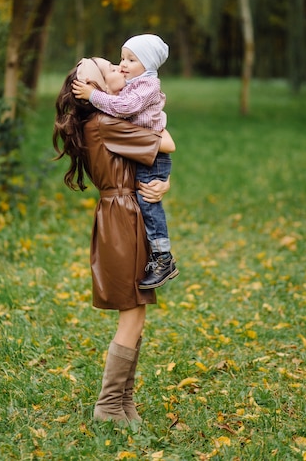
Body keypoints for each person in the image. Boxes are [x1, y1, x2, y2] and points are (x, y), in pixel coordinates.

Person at [53, 57, 175, 425]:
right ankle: (109, 406)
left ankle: (125, 404)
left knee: (135, 310)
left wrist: (162, 183)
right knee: (133, 313)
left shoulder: (101, 121)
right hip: (123, 217)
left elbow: (146, 159)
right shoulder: (106, 123)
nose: (120, 68)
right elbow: (166, 141)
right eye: (111, 67)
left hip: (122, 210)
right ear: (96, 90)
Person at [72, 35, 178, 289]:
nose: (121, 65)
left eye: (130, 60)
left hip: (147, 169)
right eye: (117, 62)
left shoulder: (143, 87)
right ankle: (162, 257)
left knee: (150, 207)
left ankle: (163, 257)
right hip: (124, 202)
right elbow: (161, 143)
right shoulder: (106, 123)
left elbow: (165, 143)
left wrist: (93, 95)